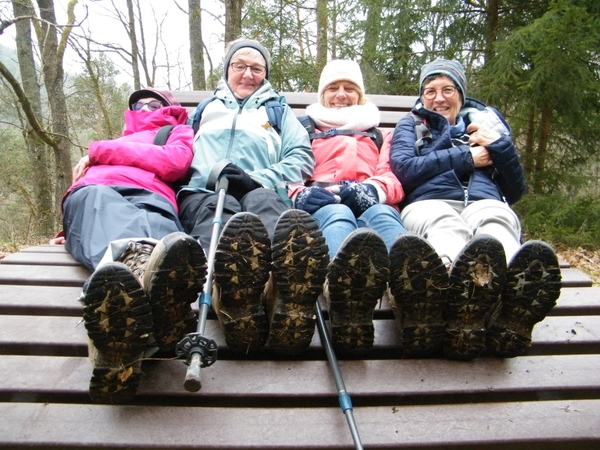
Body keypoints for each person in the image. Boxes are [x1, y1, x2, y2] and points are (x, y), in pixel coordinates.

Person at [389, 58, 562, 360]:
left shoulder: (487, 127)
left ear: (461, 93)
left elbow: (515, 190)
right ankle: (460, 300)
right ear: (421, 95)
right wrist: (466, 158)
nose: (439, 97)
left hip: (484, 201)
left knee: (496, 224)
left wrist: (501, 148)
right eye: (430, 90)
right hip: (429, 202)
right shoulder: (412, 126)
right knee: (445, 224)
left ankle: (511, 300)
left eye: (447, 89)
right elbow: (404, 169)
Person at [177, 39, 328, 356]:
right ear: (227, 70)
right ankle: (230, 299)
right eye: (239, 66)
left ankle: (283, 298)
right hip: (206, 192)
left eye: (256, 68)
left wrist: (254, 179)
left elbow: (301, 160)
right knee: (220, 221)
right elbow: (174, 153)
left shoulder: (279, 111)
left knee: (269, 214)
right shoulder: (205, 110)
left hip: (262, 189)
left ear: (266, 73)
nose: (248, 74)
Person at [61, 88, 206, 403]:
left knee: (168, 246)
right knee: (110, 220)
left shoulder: (175, 131)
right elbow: (82, 197)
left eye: (155, 103)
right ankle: (152, 323)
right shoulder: (117, 141)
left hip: (154, 196)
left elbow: (175, 163)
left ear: (171, 108)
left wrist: (101, 150)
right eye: (138, 104)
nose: (145, 108)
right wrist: (71, 229)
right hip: (96, 190)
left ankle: (119, 347)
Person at [289, 59, 407, 354]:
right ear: (322, 94)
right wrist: (299, 194)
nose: (341, 94)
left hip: (368, 197)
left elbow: (393, 174)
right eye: (333, 88)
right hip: (323, 201)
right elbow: (288, 170)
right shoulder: (303, 129)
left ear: (360, 95)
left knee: (384, 216)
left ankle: (409, 292)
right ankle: (344, 295)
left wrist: (373, 190)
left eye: (349, 88)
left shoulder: (380, 134)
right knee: (339, 216)